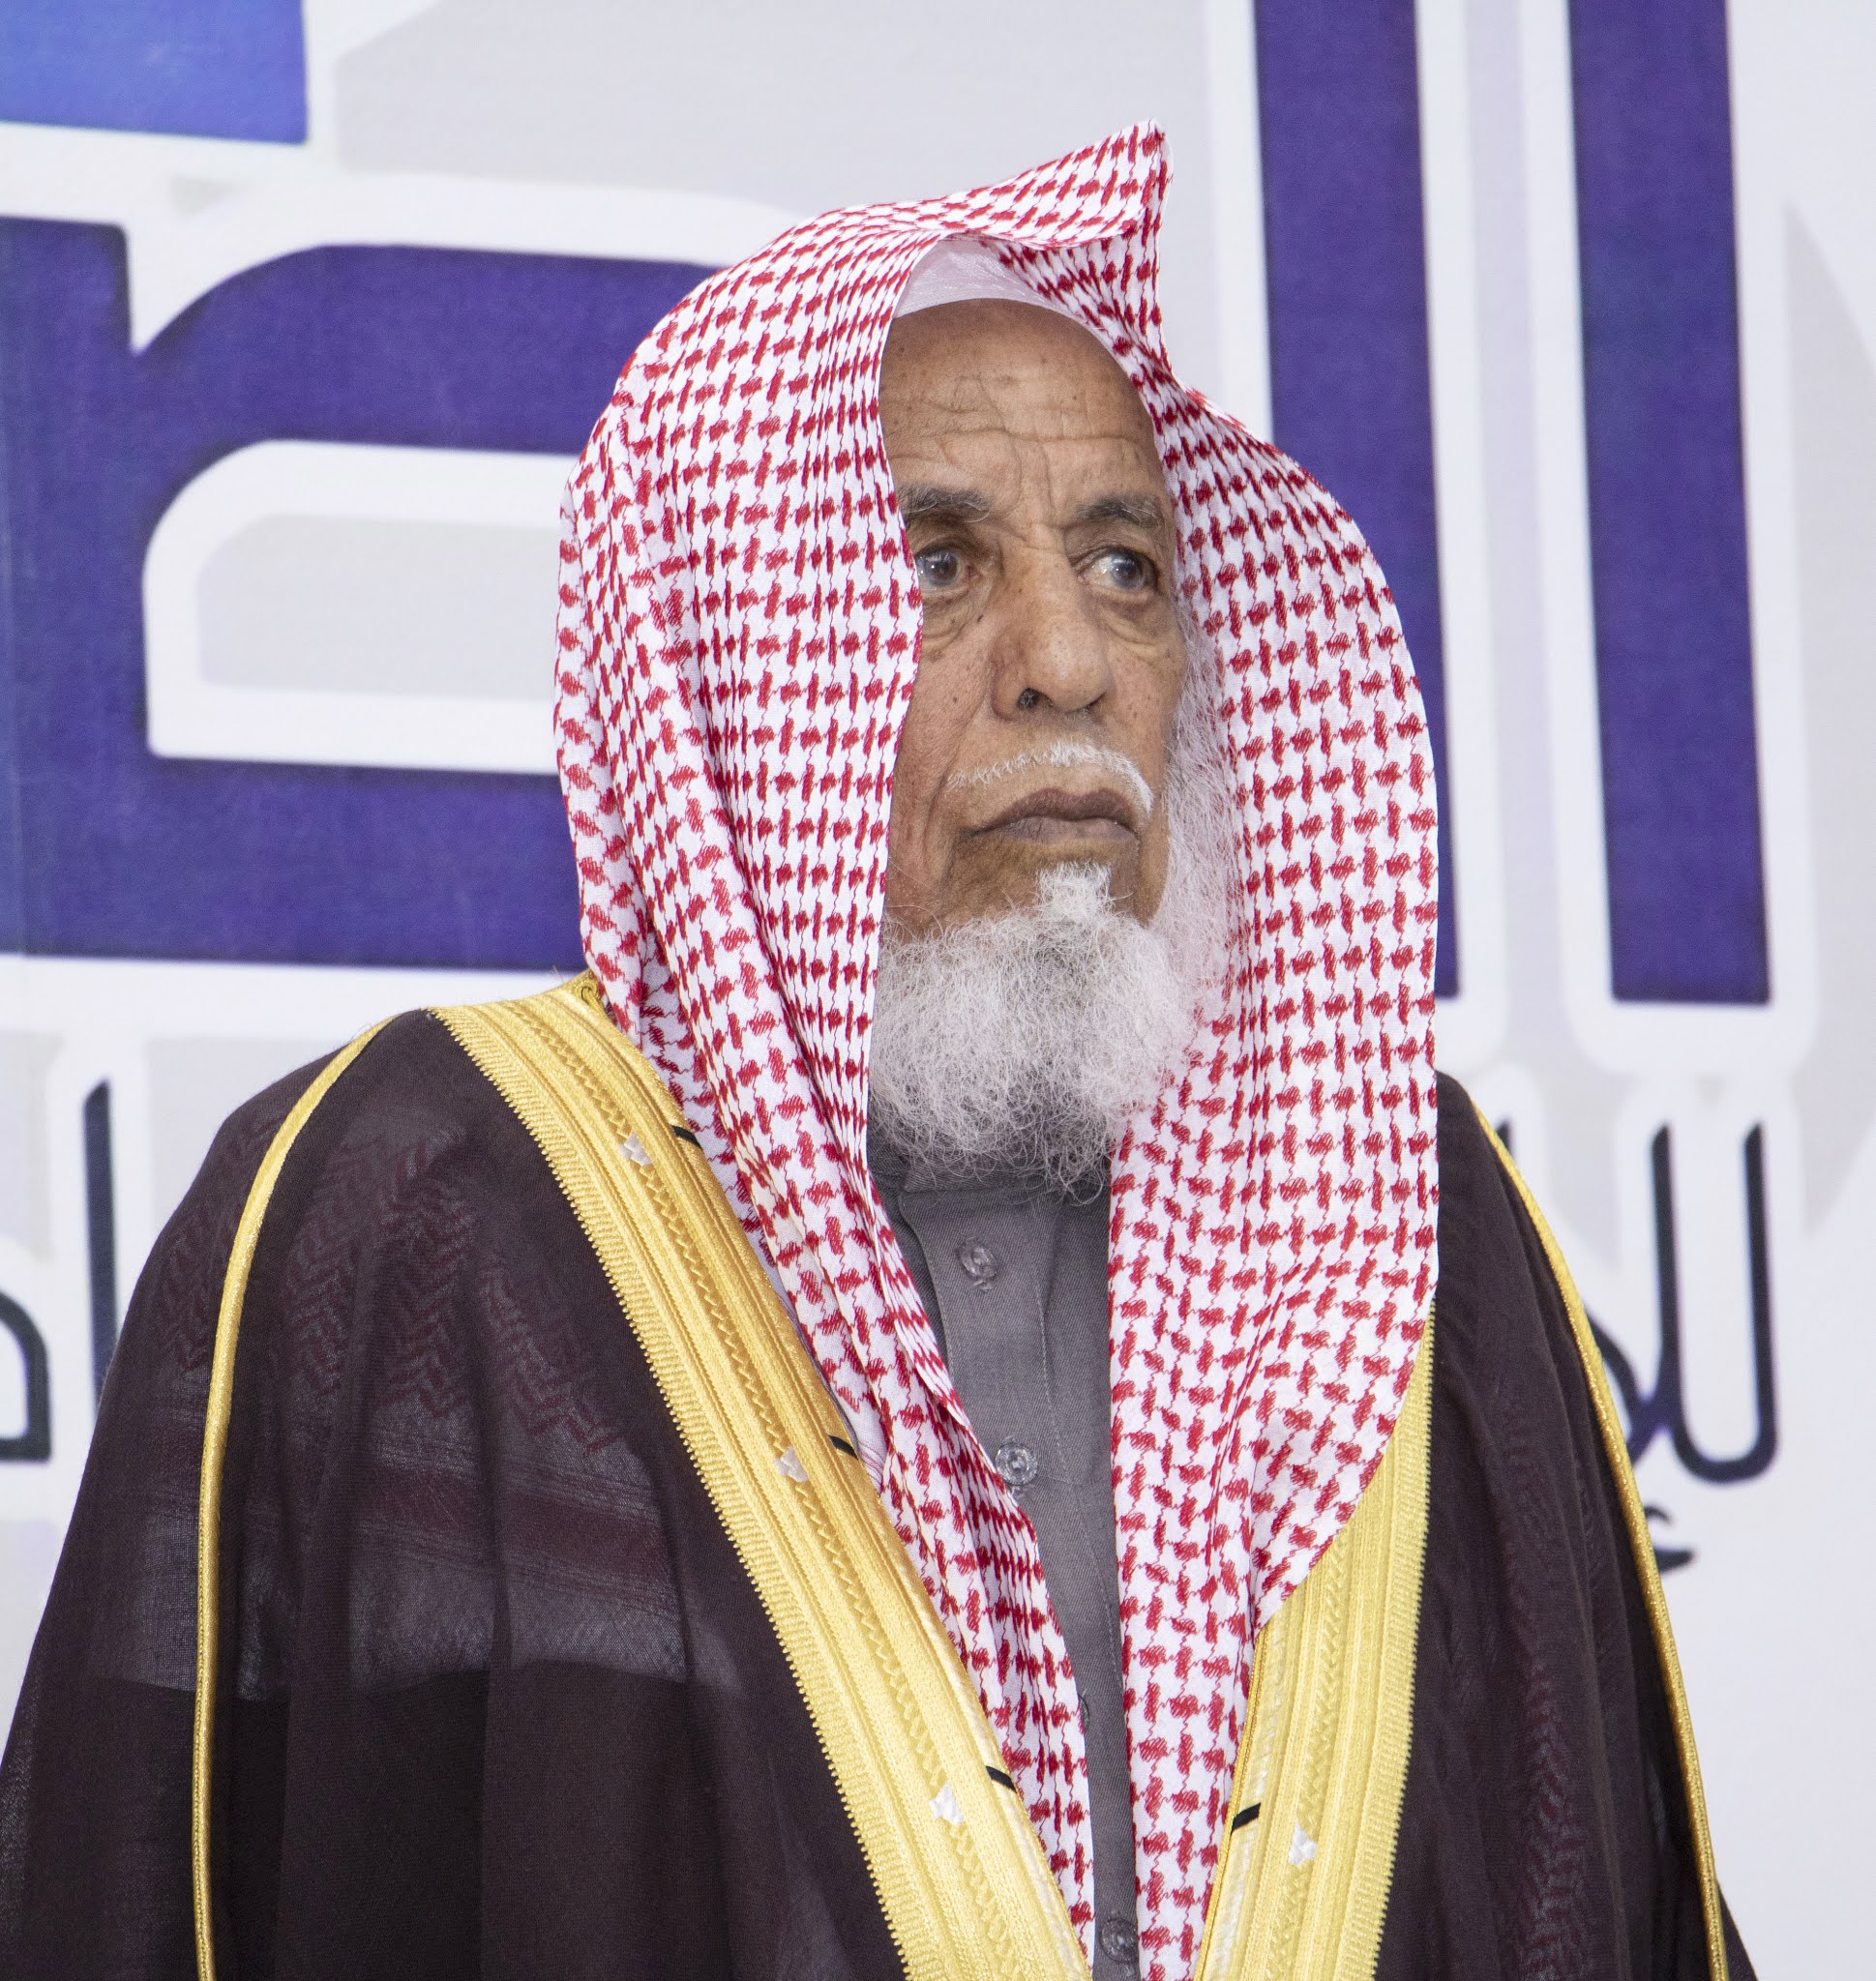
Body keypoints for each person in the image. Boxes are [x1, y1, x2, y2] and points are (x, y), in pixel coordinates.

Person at [0, 128, 1754, 1981]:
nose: (1067, 659)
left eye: (1128, 565)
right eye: (934, 561)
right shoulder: (411, 1207)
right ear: (734, 656)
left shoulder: (1408, 1221)